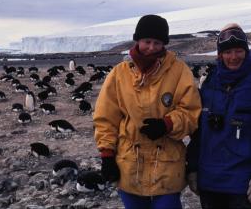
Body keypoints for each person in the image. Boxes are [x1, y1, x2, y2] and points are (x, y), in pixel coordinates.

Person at [93, 14, 202, 209]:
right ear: (138, 40)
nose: (151, 47)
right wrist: (107, 155)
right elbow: (106, 118)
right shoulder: (120, 73)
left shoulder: (179, 71)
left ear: (164, 44)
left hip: (167, 164)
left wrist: (167, 124)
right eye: (147, 41)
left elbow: (191, 112)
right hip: (129, 164)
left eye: (157, 42)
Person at [187, 23, 251, 209]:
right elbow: (198, 133)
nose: (233, 57)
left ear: (246, 52)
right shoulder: (207, 85)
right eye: (228, 52)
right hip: (210, 182)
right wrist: (192, 168)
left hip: (242, 184)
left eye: (238, 51)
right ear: (219, 54)